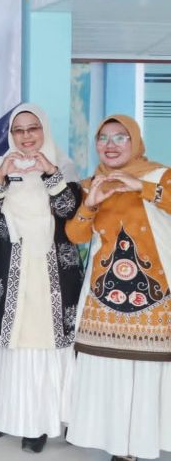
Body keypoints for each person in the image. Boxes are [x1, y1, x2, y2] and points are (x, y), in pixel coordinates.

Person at [0, 104, 83, 453]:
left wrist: (49, 172)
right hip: (10, 268)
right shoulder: (2, 165)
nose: (25, 136)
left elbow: (68, 210)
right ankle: (1, 415)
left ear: (43, 129)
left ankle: (39, 423)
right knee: (9, 343)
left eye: (32, 128)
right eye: (18, 130)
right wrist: (1, 177)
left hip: (49, 272)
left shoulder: (63, 166)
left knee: (42, 343)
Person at [64, 115, 171, 461]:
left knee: (149, 368)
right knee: (111, 371)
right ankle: (119, 446)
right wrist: (90, 204)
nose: (110, 145)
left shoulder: (160, 175)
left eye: (120, 137)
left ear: (135, 141)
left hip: (154, 295)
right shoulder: (91, 183)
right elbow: (76, 236)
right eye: (103, 138)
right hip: (105, 295)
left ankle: (144, 441)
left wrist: (141, 188)